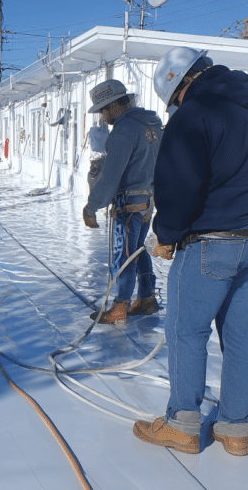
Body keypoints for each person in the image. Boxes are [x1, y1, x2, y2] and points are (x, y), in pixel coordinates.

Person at [132, 47, 248, 457]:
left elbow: (178, 186)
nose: (174, 109)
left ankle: (183, 424)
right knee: (241, 337)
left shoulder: (193, 115)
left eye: (173, 101)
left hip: (209, 246)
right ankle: (236, 428)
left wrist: (165, 233)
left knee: (187, 332)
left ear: (181, 84)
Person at [81, 79, 163, 323]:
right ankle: (147, 297)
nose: (104, 116)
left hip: (127, 203)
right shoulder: (154, 126)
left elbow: (110, 177)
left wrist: (91, 206)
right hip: (148, 201)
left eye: (104, 109)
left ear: (116, 105)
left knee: (123, 255)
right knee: (138, 250)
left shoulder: (124, 130)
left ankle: (120, 306)